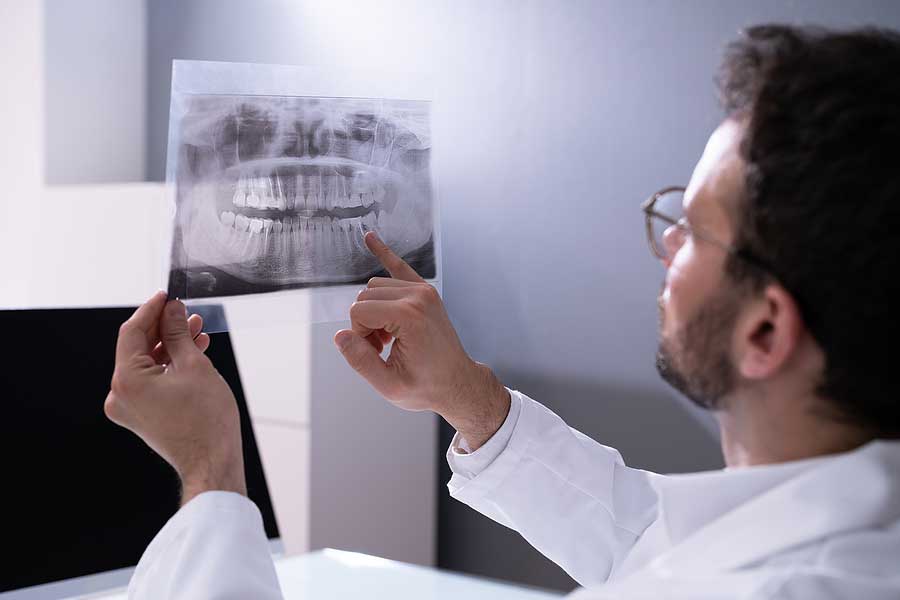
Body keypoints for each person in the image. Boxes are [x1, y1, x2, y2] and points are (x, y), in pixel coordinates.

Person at [106, 24, 900, 599]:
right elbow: (644, 538)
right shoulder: (850, 527)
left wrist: (212, 472)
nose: (665, 249)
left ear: (765, 329)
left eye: (690, 230)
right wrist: (470, 402)